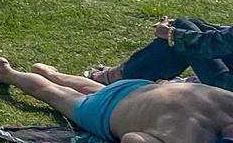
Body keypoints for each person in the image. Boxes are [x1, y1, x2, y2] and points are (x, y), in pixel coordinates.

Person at [0, 57, 233, 143]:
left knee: (90, 88)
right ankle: (9, 75)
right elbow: (131, 141)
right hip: (112, 111)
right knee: (56, 95)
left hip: (142, 90)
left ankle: (51, 72)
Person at [87, 19, 233, 91]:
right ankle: (124, 74)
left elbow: (213, 45)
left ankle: (118, 76)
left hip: (227, 87)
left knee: (181, 32)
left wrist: (171, 33)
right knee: (191, 26)